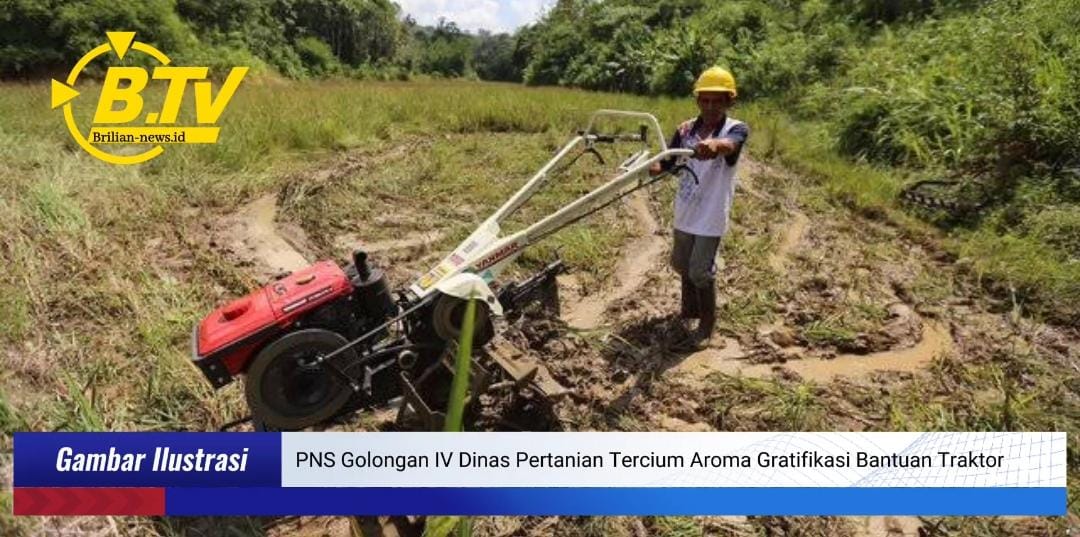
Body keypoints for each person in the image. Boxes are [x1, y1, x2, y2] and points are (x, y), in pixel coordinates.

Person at [650, 67, 749, 351]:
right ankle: (689, 310)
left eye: (717, 101)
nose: (710, 106)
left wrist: (715, 145)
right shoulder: (685, 130)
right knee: (681, 264)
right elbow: (668, 162)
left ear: (729, 101)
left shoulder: (735, 128)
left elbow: (730, 145)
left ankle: (707, 326)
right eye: (705, 100)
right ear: (698, 100)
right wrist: (654, 167)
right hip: (686, 210)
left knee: (700, 272)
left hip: (711, 215)